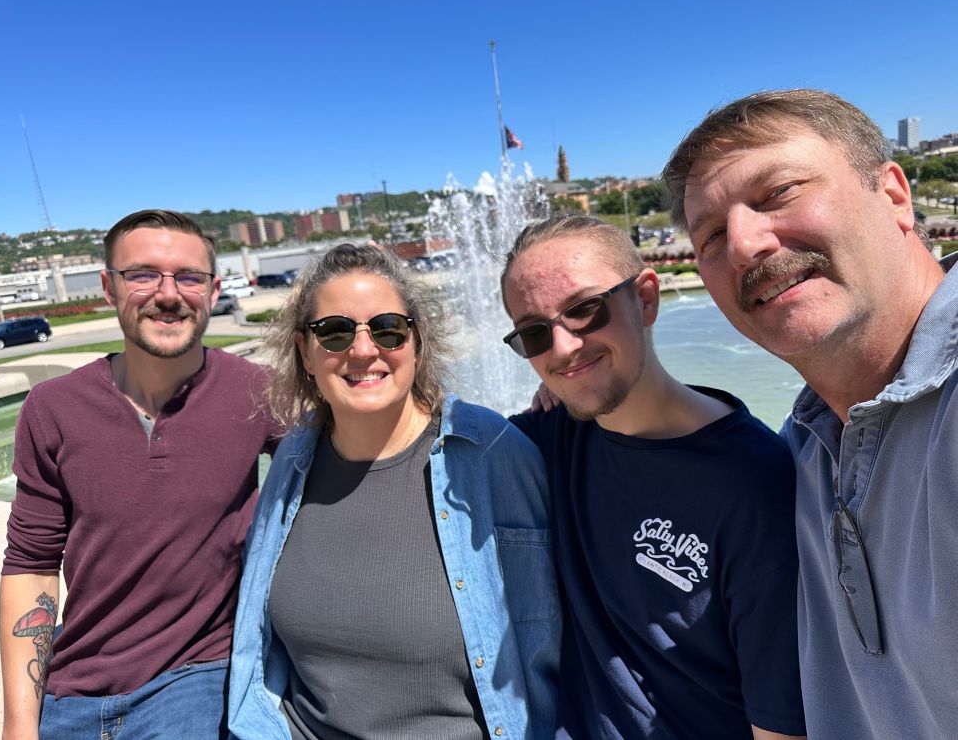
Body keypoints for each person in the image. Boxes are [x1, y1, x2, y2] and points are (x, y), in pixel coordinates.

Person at [664, 88, 957, 739]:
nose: (744, 243)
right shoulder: (801, 447)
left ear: (895, 197)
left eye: (777, 194)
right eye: (710, 235)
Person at [227, 243, 560, 740]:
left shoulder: (492, 452)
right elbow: (259, 658)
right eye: (335, 331)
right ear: (305, 352)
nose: (363, 350)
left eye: (387, 329)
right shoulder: (293, 460)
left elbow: (548, 642)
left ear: (416, 342)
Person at [500, 214, 807, 739]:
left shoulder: (759, 486)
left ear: (645, 299)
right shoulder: (550, 439)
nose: (563, 348)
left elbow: (780, 725)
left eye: (584, 310)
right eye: (534, 333)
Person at [0, 209, 283, 740]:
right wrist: (19, 723)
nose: (168, 294)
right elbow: (31, 564)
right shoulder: (52, 407)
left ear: (213, 288)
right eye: (143, 274)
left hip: (195, 680)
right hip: (73, 688)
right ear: (109, 286)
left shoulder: (258, 393)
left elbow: (358, 448)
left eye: (189, 277)